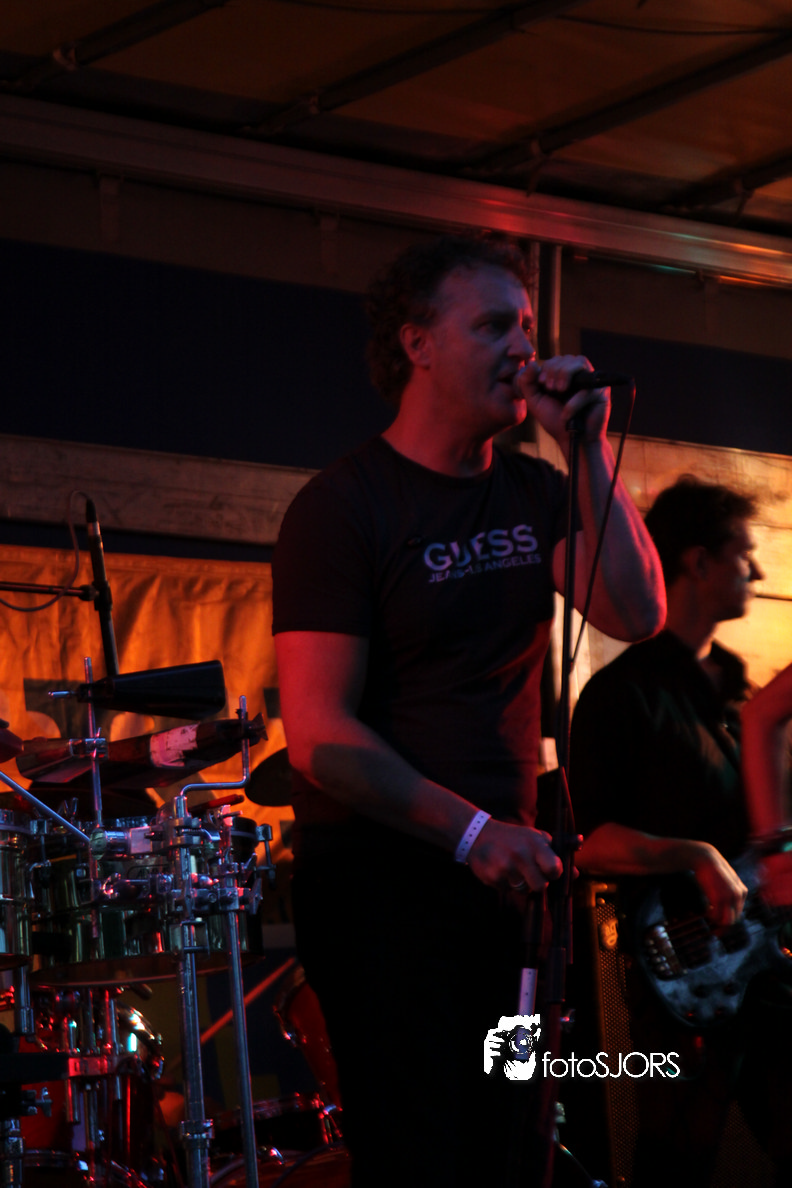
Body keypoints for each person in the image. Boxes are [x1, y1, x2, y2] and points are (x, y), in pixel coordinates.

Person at [271, 232, 664, 1187]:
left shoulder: (534, 489)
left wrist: (585, 445)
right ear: (418, 344)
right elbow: (320, 734)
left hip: (513, 896)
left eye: (526, 326)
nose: (524, 348)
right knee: (422, 1155)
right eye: (494, 326)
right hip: (385, 892)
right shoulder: (344, 507)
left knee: (513, 1145)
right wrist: (471, 832)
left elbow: (636, 609)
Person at [570, 476, 792, 1187]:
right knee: (675, 1167)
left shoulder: (733, 689)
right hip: (677, 977)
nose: (757, 573)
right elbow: (590, 843)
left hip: (760, 965)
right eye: (744, 555)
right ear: (697, 561)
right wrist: (695, 855)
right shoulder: (620, 695)